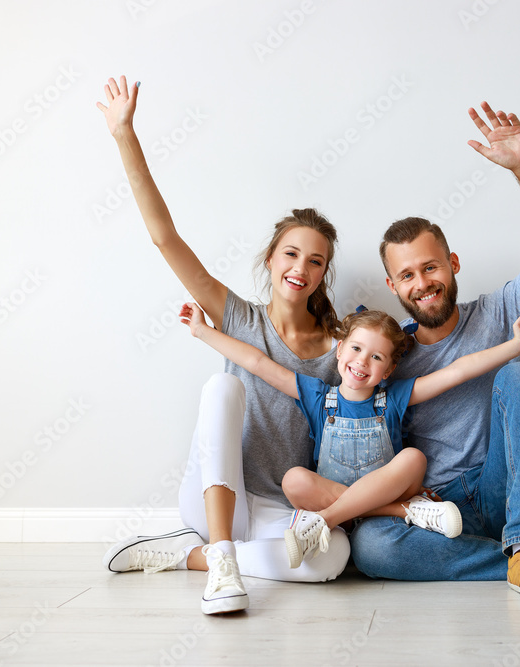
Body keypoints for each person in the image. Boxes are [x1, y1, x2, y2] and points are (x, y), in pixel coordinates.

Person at [347, 102, 520, 606]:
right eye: (407, 275)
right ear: (393, 286)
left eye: (430, 267)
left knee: (519, 376)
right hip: (439, 508)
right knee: (370, 549)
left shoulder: (498, 310)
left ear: (452, 264)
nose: (422, 283)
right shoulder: (388, 354)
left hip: (505, 488)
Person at [95, 76, 350, 615]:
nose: (300, 268)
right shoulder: (236, 316)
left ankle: (199, 557)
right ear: (271, 259)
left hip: (282, 507)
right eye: (291, 254)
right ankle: (221, 555)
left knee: (333, 560)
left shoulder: (338, 347)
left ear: (325, 273)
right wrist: (125, 136)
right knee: (221, 385)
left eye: (315, 260)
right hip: (221, 495)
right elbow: (165, 237)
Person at [179, 302, 520, 569]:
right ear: (340, 351)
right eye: (356, 349)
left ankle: (324, 521)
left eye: (377, 357)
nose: (362, 362)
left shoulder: (395, 397)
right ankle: (409, 511)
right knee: (294, 479)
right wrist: (201, 331)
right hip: (361, 510)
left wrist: (515, 346)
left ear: (388, 370)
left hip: (361, 520)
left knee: (414, 458)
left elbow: (458, 371)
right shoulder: (318, 396)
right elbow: (257, 362)